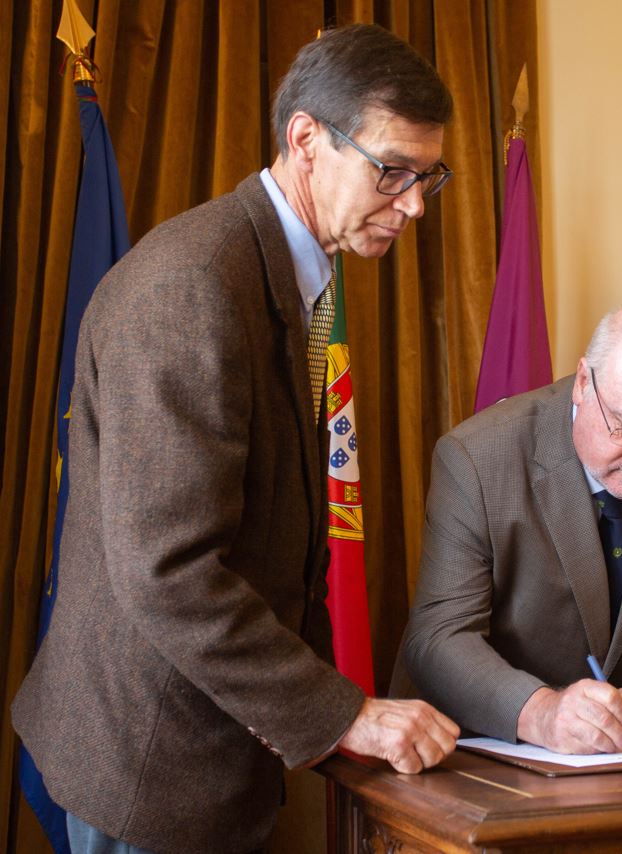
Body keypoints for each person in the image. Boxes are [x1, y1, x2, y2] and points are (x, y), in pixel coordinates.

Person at [12, 24, 460, 854]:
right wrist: (346, 714)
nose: (415, 204)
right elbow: (170, 571)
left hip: (212, 748)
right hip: (147, 764)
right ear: (305, 142)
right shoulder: (192, 285)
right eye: (391, 171)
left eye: (427, 176)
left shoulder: (285, 267)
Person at [399, 302, 622, 754]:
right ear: (581, 384)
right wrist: (539, 712)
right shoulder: (478, 457)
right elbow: (440, 635)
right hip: (483, 747)